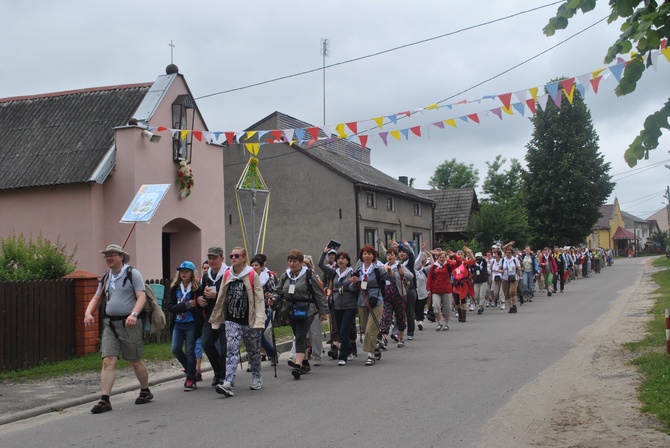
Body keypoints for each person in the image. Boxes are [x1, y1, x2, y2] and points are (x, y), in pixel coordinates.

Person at [84, 244, 152, 414]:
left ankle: (145, 390)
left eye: (113, 255)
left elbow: (141, 297)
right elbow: (96, 297)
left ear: (121, 257)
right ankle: (105, 399)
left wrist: (134, 314)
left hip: (129, 324)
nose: (109, 258)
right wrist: (88, 313)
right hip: (110, 324)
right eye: (107, 255)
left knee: (134, 360)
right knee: (108, 360)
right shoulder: (106, 277)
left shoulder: (132, 274)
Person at [210, 247, 265, 396]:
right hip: (231, 319)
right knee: (232, 351)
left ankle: (257, 376)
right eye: (231, 255)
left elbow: (259, 299)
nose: (233, 258)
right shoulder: (228, 274)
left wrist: (259, 321)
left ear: (244, 258)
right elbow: (221, 295)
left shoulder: (252, 275)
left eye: (237, 255)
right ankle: (228, 383)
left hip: (249, 320)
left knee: (253, 351)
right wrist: (217, 316)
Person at [273, 249, 329, 379]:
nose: (292, 264)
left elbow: (319, 293)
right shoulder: (286, 275)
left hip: (307, 309)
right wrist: (274, 299)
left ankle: (297, 366)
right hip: (291, 309)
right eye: (290, 261)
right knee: (297, 334)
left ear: (300, 262)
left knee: (300, 335)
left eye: (295, 261)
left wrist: (322, 311)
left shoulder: (308, 274)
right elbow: (278, 291)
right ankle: (304, 362)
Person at [318, 247, 359, 365]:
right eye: (338, 259)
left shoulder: (352, 272)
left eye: (343, 258)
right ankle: (349, 349)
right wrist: (324, 252)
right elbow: (320, 265)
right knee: (341, 332)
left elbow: (356, 288)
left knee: (344, 330)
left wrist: (355, 283)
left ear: (347, 261)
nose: (340, 260)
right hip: (337, 305)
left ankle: (343, 356)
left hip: (349, 305)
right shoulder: (334, 273)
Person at [166, 261, 202, 391]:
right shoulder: (175, 288)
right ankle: (191, 370)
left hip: (191, 323)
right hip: (178, 324)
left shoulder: (196, 287)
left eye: (186, 271)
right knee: (176, 348)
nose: (183, 274)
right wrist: (185, 305)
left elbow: (201, 303)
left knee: (190, 351)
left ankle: (190, 379)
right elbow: (170, 307)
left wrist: (198, 302)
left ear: (192, 273)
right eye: (181, 271)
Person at [196, 246, 228, 387]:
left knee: (225, 347)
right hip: (211, 315)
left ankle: (223, 375)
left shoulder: (228, 274)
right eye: (210, 258)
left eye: (215, 258)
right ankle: (218, 371)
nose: (212, 260)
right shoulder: (206, 276)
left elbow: (234, 295)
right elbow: (200, 293)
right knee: (206, 343)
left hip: (226, 316)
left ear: (222, 258)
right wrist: (200, 299)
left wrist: (217, 296)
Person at [351, 245, 387, 366]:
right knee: (365, 327)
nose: (367, 256)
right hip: (362, 301)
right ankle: (375, 344)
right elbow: (351, 287)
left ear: (373, 256)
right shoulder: (357, 270)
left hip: (376, 300)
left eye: (369, 253)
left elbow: (388, 277)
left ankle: (370, 355)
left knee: (371, 329)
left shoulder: (377, 269)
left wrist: (390, 270)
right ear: (361, 256)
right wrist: (354, 282)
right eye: (364, 254)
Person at [380, 247, 414, 347]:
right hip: (386, 295)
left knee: (400, 316)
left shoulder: (400, 266)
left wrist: (402, 274)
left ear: (396, 256)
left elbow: (411, 276)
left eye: (392, 254)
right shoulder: (383, 267)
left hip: (399, 294)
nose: (390, 256)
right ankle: (384, 338)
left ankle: (401, 337)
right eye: (388, 254)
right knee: (386, 316)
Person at [250, 254, 278, 366]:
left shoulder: (267, 279)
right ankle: (255, 359)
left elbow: (275, 293)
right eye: (252, 265)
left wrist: (270, 296)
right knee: (253, 336)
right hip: (252, 311)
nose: (254, 267)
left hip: (265, 311)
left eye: (256, 265)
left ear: (261, 267)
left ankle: (272, 354)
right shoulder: (248, 279)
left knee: (259, 335)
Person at [427, 250, 458, 330]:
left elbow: (458, 264)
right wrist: (428, 289)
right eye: (440, 257)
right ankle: (439, 322)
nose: (442, 259)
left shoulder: (448, 265)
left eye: (443, 257)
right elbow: (430, 278)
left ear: (445, 258)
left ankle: (446, 323)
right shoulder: (434, 266)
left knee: (447, 308)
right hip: (436, 290)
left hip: (446, 290)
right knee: (435, 306)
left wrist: (454, 256)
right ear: (438, 258)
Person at [500, 247, 521, 313]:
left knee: (511, 292)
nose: (508, 254)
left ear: (511, 253)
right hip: (505, 278)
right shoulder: (503, 260)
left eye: (509, 253)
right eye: (507, 253)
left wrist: (518, 268)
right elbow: (499, 269)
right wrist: (501, 271)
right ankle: (510, 307)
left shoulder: (515, 260)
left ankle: (514, 304)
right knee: (506, 293)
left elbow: (519, 267)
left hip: (513, 277)